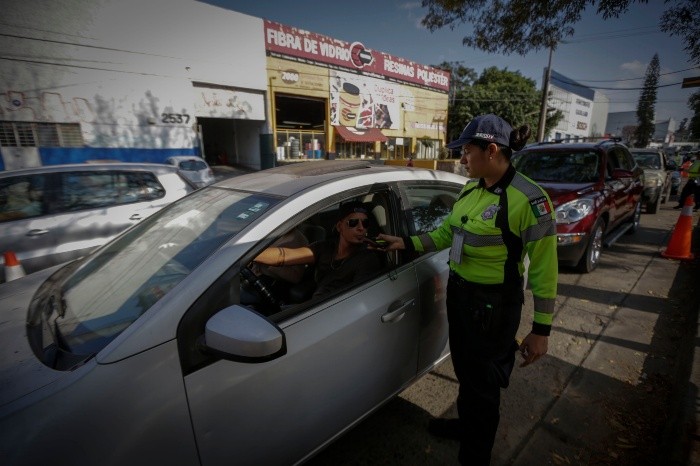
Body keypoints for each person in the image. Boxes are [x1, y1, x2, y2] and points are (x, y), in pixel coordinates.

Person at [376, 114, 558, 465]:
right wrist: (407, 242)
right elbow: (448, 233)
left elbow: (545, 270)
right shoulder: (472, 188)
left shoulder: (529, 200)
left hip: (494, 307)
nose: (461, 159)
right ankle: (467, 425)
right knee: (466, 371)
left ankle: (475, 456)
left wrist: (541, 330)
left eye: (466, 151)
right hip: (461, 296)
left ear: (491, 150)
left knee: (483, 386)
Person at [253, 201, 382, 299]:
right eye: (353, 223)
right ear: (339, 226)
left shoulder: (367, 258)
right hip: (315, 305)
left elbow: (358, 298)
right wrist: (249, 253)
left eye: (365, 223)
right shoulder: (325, 247)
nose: (361, 228)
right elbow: (283, 256)